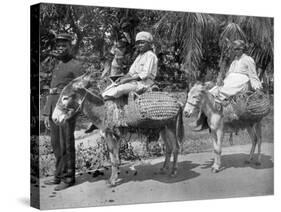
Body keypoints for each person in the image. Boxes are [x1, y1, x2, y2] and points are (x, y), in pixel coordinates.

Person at [42, 33, 85, 191]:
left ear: (70, 46)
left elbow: (81, 90)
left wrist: (72, 111)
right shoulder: (58, 64)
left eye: (64, 45)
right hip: (54, 107)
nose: (60, 48)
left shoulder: (76, 65)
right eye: (58, 45)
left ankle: (68, 178)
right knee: (56, 144)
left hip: (66, 110)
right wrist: (46, 113)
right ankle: (58, 175)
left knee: (66, 143)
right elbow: (52, 91)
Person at [193, 39, 262, 131]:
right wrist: (222, 80)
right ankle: (202, 119)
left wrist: (257, 87)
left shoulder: (248, 60)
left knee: (224, 90)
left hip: (241, 81)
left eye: (238, 49)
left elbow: (253, 75)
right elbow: (229, 74)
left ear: (242, 49)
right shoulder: (234, 62)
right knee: (213, 91)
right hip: (231, 80)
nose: (236, 51)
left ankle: (225, 114)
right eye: (234, 49)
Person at [102, 31, 158, 100]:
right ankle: (102, 97)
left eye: (142, 43)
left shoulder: (150, 55)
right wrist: (122, 78)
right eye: (138, 43)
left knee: (120, 89)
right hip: (134, 82)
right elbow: (131, 73)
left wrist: (127, 80)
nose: (140, 45)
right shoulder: (140, 56)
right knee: (113, 85)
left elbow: (145, 74)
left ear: (149, 44)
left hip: (143, 84)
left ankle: (102, 100)